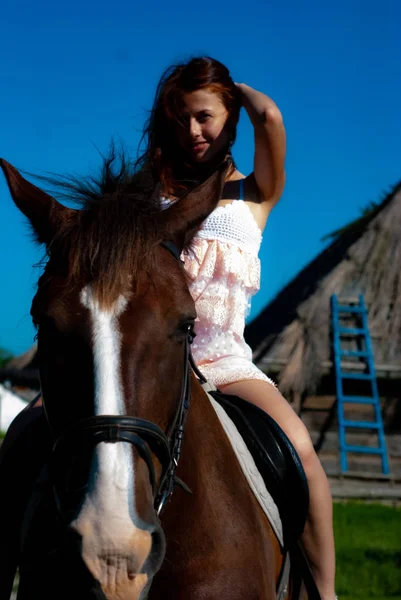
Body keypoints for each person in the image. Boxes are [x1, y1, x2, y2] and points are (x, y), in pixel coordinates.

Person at [0, 56, 336, 600]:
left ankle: (325, 590)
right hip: (148, 356)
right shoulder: (150, 198)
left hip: (224, 359)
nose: (192, 130)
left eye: (204, 117)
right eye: (179, 119)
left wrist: (234, 92)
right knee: (22, 436)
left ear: (229, 117)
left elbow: (271, 120)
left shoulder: (256, 194)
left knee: (299, 449)